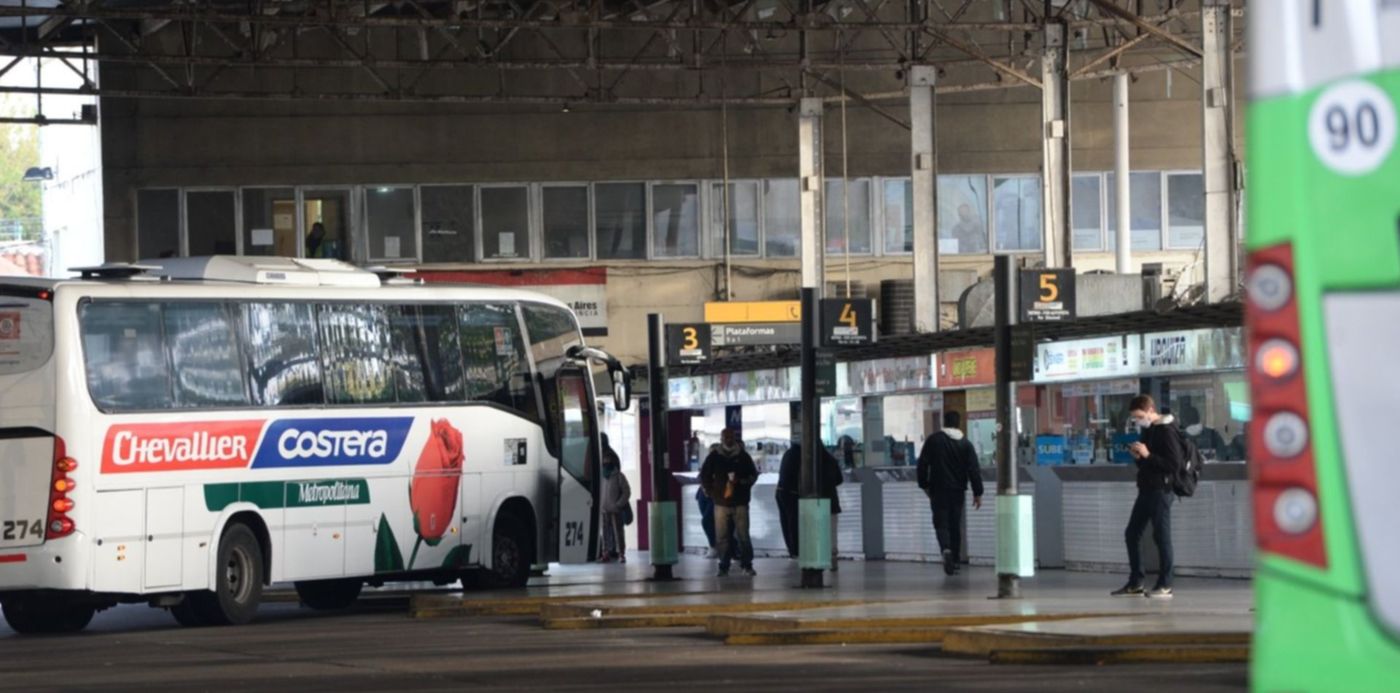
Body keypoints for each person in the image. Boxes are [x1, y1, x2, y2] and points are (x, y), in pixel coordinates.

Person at [1113, 394, 1183, 599]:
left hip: (1161, 490)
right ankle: (1136, 582)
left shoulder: (1166, 430)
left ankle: (1165, 583)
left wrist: (1148, 455)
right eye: (1135, 418)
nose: (1138, 421)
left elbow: (1173, 464)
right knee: (1132, 533)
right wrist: (1140, 457)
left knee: (1161, 536)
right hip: (1146, 489)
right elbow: (1149, 463)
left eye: (1140, 416)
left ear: (1151, 410)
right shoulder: (1150, 430)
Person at [916, 411, 984, 576]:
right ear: (959, 423)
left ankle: (946, 549)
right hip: (958, 490)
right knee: (955, 524)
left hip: (938, 489)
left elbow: (922, 464)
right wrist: (978, 493)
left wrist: (924, 484)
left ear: (944, 422)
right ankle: (955, 560)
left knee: (941, 523)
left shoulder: (934, 440)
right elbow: (974, 470)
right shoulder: (966, 444)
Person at [699, 428, 758, 577]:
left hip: (740, 502)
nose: (729, 440)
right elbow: (704, 476)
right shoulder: (714, 457)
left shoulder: (743, 456)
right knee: (722, 537)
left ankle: (747, 565)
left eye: (731, 437)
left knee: (743, 535)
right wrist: (712, 493)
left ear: (734, 438)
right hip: (721, 503)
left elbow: (753, 475)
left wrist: (741, 482)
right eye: (726, 437)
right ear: (721, 439)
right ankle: (723, 565)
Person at [775, 441, 840, 561]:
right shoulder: (827, 460)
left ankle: (798, 553)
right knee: (829, 531)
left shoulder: (793, 455)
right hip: (828, 500)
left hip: (801, 497)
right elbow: (839, 479)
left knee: (791, 524)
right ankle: (830, 556)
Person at [598, 434, 631, 564]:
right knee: (605, 531)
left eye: (607, 461)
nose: (605, 463)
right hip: (604, 508)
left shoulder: (618, 476)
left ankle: (620, 553)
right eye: (604, 461)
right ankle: (606, 552)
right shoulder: (601, 476)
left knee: (618, 531)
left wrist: (619, 504)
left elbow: (626, 491)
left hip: (615, 508)